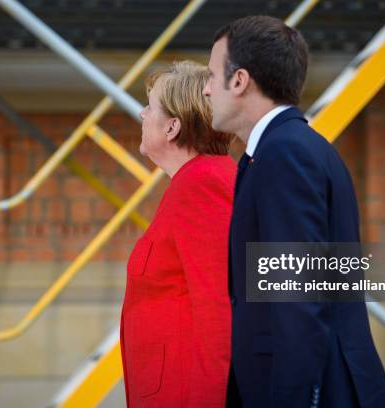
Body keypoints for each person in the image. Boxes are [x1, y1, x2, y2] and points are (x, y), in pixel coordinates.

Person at [203, 16, 385, 408]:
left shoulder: (284, 153)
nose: (205, 90)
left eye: (210, 76)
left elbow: (298, 297)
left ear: (239, 81)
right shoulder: (282, 150)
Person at [120, 60, 236, 407]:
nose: (142, 114)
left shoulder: (201, 184)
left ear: (172, 127)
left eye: (151, 106)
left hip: (184, 393)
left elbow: (217, 308)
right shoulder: (195, 179)